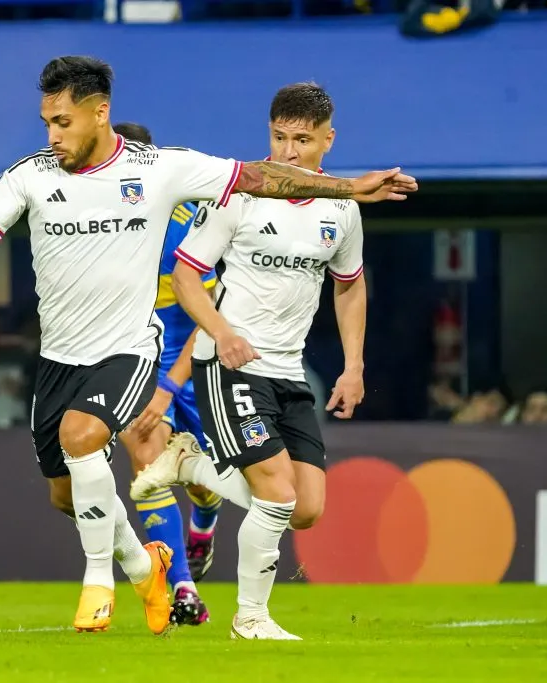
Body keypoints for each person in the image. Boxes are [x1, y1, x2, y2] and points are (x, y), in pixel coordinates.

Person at [0, 57, 416, 636]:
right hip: (63, 358)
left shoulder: (160, 169)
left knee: (89, 439)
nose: (52, 135)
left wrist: (349, 187)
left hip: (133, 347)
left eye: (62, 122)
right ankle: (143, 566)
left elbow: (260, 179)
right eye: (47, 122)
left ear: (99, 112)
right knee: (67, 495)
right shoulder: (31, 174)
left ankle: (101, 583)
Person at [131, 82, 371, 640]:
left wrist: (354, 365)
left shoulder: (342, 208)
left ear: (329, 140)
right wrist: (222, 334)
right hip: (229, 364)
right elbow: (186, 277)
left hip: (288, 369)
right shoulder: (238, 194)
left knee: (305, 509)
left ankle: (190, 464)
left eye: (302, 140)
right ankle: (251, 618)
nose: (288, 152)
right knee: (278, 493)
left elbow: (349, 286)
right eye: (279, 137)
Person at [109, 121, 218, 626]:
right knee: (148, 462)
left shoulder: (185, 226)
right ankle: (184, 588)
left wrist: (172, 385)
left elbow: (210, 318)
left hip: (192, 363)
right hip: (139, 362)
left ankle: (205, 519)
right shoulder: (98, 224)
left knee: (203, 485)